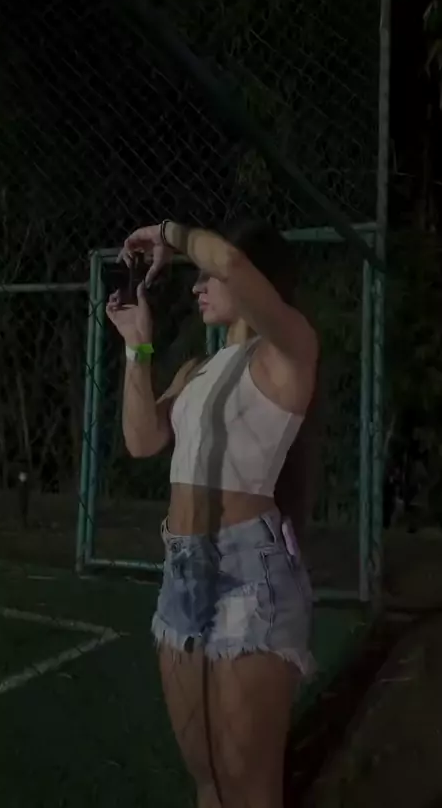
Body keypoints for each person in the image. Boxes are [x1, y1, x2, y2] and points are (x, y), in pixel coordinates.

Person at [107, 219, 319, 808]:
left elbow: (230, 262)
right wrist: (136, 346)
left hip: (248, 574)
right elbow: (142, 439)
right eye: (196, 277)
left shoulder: (288, 350)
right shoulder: (196, 371)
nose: (198, 286)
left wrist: (169, 234)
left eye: (206, 278)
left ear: (255, 281)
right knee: (207, 779)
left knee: (248, 789)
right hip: (182, 570)